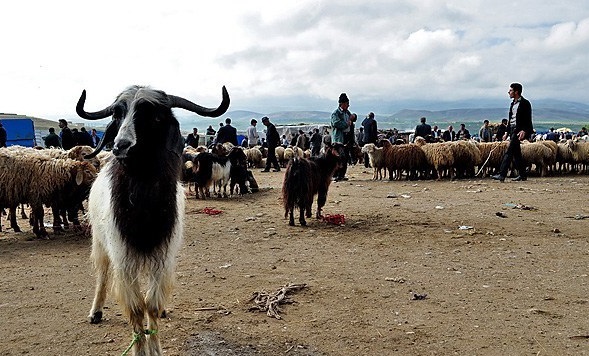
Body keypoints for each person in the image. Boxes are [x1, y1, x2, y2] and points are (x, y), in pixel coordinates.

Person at [492, 82, 533, 182]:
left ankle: (502, 174)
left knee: (509, 151)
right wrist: (506, 132)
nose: (508, 92)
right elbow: (511, 120)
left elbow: (528, 119)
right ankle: (523, 175)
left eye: (510, 90)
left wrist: (524, 130)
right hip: (512, 129)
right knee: (516, 153)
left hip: (519, 131)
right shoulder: (512, 104)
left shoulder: (525, 103)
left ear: (516, 92)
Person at [331, 93, 351, 181]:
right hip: (338, 139)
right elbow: (335, 123)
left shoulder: (347, 113)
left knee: (345, 157)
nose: (348, 105)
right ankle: (335, 175)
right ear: (341, 104)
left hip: (346, 137)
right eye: (346, 104)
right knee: (338, 157)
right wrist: (346, 124)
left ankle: (342, 175)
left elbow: (352, 118)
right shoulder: (336, 113)